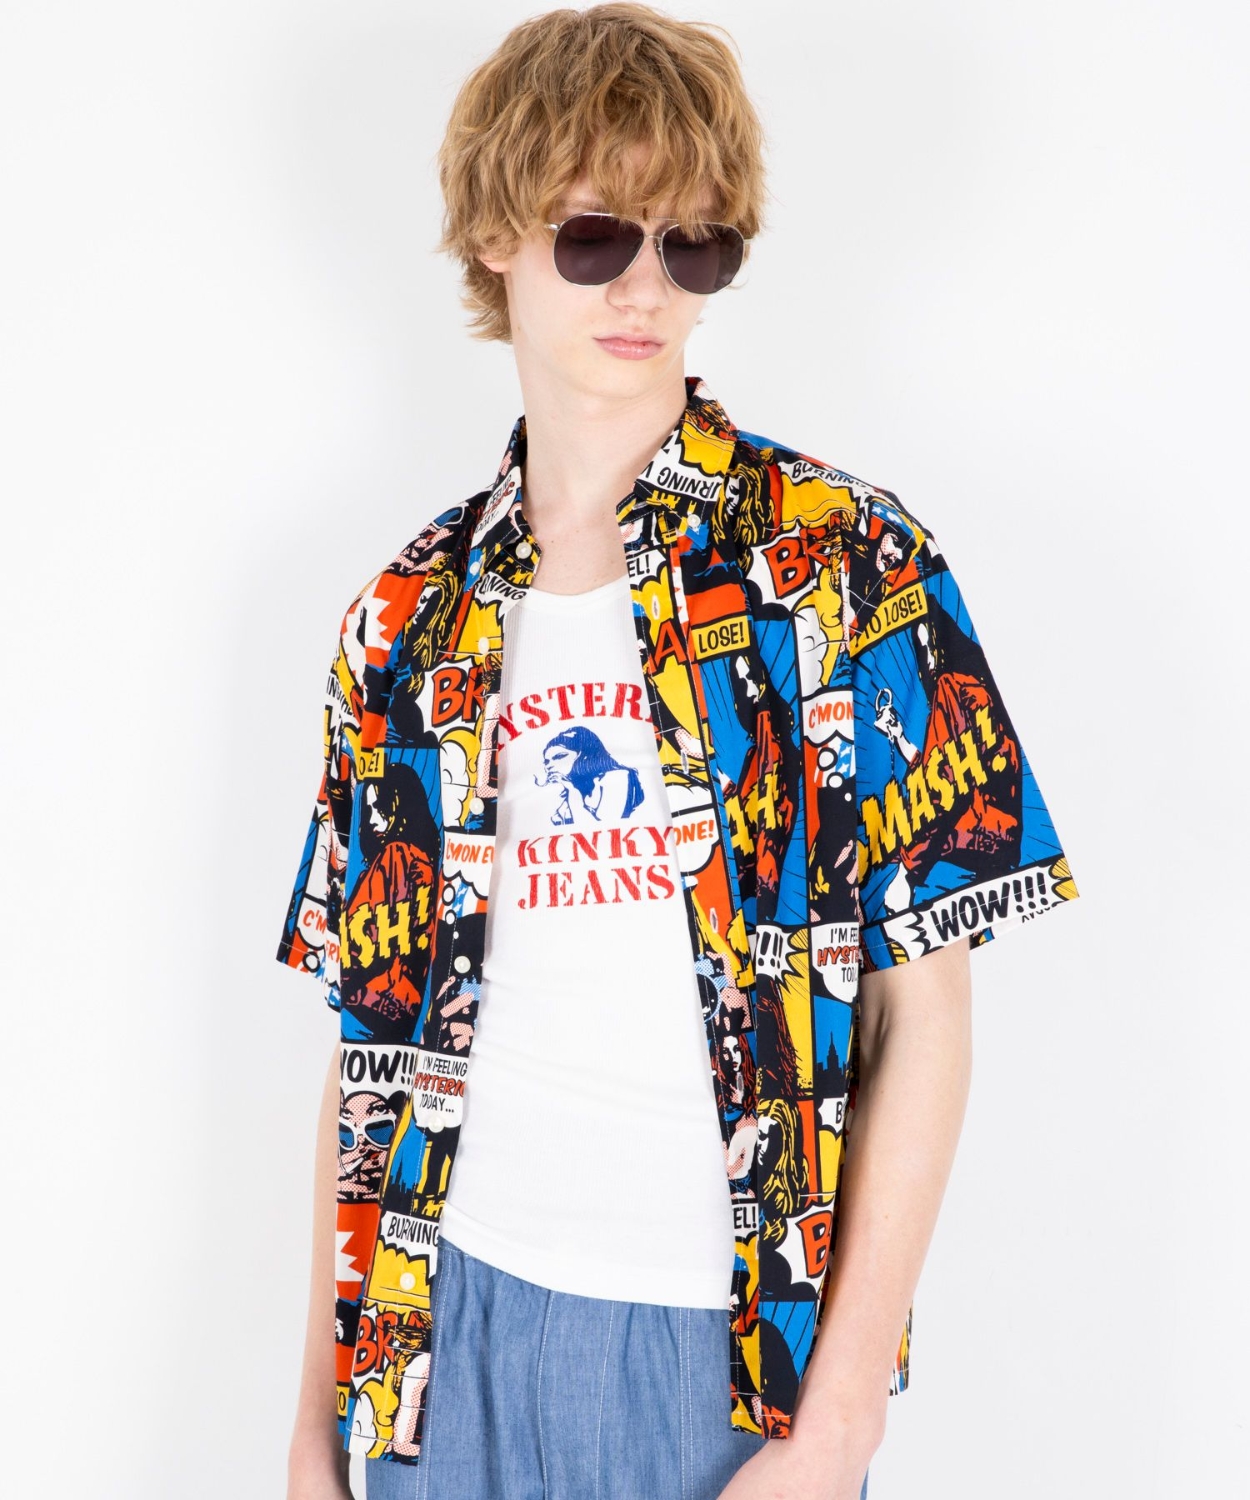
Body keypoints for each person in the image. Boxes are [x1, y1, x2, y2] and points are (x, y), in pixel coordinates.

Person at [277, 7, 1079, 1499]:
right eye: (596, 235)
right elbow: (364, 1036)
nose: (645, 286)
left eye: (693, 245)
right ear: (497, 237)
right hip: (434, 1339)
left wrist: (837, 1427)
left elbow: (928, 1017)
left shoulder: (841, 565)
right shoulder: (403, 616)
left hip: (716, 1355)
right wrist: (317, 1422)